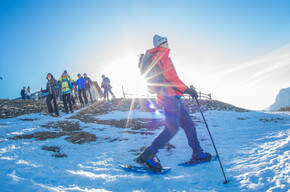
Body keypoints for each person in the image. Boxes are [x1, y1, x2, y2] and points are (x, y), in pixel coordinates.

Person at [135, 35, 211, 172]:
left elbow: (170, 78)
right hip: (168, 96)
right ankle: (147, 155)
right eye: (166, 42)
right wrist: (187, 89)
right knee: (173, 127)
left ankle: (197, 153)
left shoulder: (159, 56)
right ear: (161, 44)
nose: (168, 44)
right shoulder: (161, 55)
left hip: (173, 96)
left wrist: (185, 90)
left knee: (188, 124)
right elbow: (171, 78)